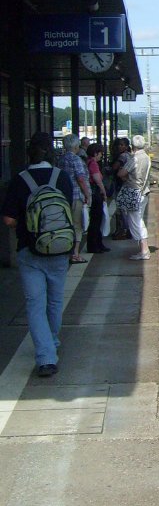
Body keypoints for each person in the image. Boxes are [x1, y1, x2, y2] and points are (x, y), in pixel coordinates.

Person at [1, 131, 74, 377]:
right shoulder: (61, 177)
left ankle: (45, 357)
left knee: (35, 304)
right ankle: (50, 344)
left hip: (29, 251)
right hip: (60, 249)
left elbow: (9, 219)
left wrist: (26, 225)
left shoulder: (20, 180)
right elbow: (70, 210)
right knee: (54, 301)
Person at [116, 134, 151, 260]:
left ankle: (144, 250)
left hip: (134, 192)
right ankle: (143, 249)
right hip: (144, 191)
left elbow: (121, 173)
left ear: (132, 146)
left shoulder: (134, 159)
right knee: (138, 219)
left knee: (136, 222)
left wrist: (126, 178)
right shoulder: (147, 157)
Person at [60, 133, 91, 264]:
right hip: (76, 196)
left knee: (65, 224)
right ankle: (75, 254)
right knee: (77, 225)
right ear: (75, 146)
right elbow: (81, 179)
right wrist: (88, 195)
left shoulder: (60, 160)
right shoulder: (76, 159)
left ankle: (65, 251)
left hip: (62, 197)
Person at [85, 142, 110, 254]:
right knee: (96, 220)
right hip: (96, 195)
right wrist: (104, 193)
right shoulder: (93, 164)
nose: (101, 156)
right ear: (95, 153)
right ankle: (94, 245)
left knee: (96, 220)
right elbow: (98, 181)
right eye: (100, 153)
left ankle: (98, 244)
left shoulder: (87, 162)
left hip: (93, 194)